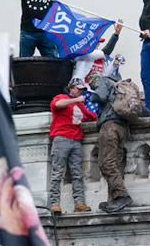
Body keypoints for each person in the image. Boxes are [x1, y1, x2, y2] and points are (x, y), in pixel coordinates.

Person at [90, 73, 150, 213]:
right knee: (115, 164)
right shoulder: (122, 90)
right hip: (122, 128)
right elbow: (142, 111)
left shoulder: (102, 81)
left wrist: (89, 97)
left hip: (109, 126)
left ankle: (122, 196)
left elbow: (100, 96)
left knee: (106, 163)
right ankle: (113, 199)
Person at [48, 78, 97, 214]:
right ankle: (55, 204)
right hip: (61, 138)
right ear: (71, 88)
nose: (81, 92)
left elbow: (92, 116)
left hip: (76, 140)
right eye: (79, 89)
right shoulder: (61, 97)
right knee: (57, 172)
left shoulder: (81, 106)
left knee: (77, 173)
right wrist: (76, 100)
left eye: (82, 90)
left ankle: (79, 203)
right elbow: (57, 104)